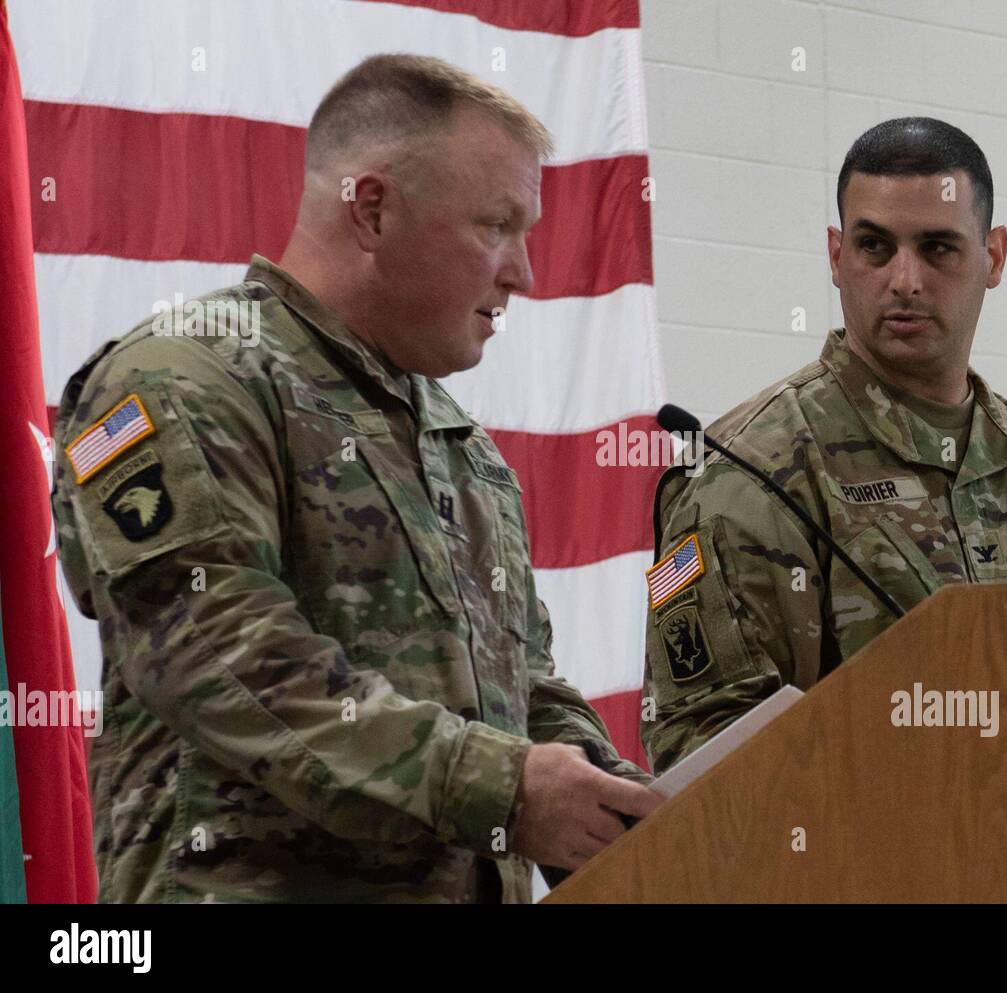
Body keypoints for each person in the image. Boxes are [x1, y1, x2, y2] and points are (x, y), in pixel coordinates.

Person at [52, 53, 660, 904]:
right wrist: (506, 789)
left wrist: (622, 803)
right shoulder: (181, 380)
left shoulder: (459, 443)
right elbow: (226, 658)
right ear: (371, 209)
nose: (524, 271)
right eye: (497, 226)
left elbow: (523, 689)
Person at [642, 117, 1007, 774]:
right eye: (875, 246)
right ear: (836, 255)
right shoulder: (752, 475)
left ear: (995, 257)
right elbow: (711, 773)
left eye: (937, 248)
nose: (904, 279)